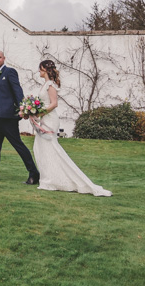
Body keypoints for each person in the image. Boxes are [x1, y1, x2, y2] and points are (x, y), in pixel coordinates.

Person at [28, 59, 112, 197]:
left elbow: (54, 104)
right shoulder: (45, 84)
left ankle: (58, 179)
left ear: (45, 70)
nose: (38, 71)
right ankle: (49, 179)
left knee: (51, 148)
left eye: (40, 69)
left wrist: (39, 113)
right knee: (41, 148)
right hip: (44, 119)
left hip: (49, 120)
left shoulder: (51, 85)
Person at [0, 50, 40, 184]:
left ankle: (34, 174)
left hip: (8, 118)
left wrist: (22, 110)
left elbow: (17, 91)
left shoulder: (10, 72)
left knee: (18, 145)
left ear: (4, 58)